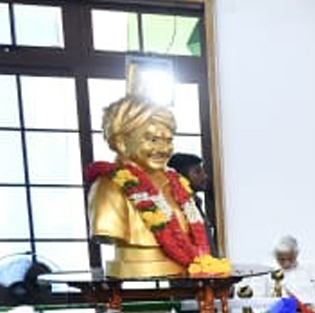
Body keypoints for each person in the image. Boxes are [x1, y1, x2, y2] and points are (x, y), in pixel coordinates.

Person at [86, 101, 226, 277]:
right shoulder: (109, 187)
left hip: (183, 273)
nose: (163, 149)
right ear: (121, 142)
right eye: (153, 140)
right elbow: (107, 228)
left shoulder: (177, 184)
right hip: (133, 268)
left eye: (168, 141)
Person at [167, 152, 218, 254]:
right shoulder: (176, 208)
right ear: (180, 177)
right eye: (197, 172)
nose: (205, 176)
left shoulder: (195, 202)